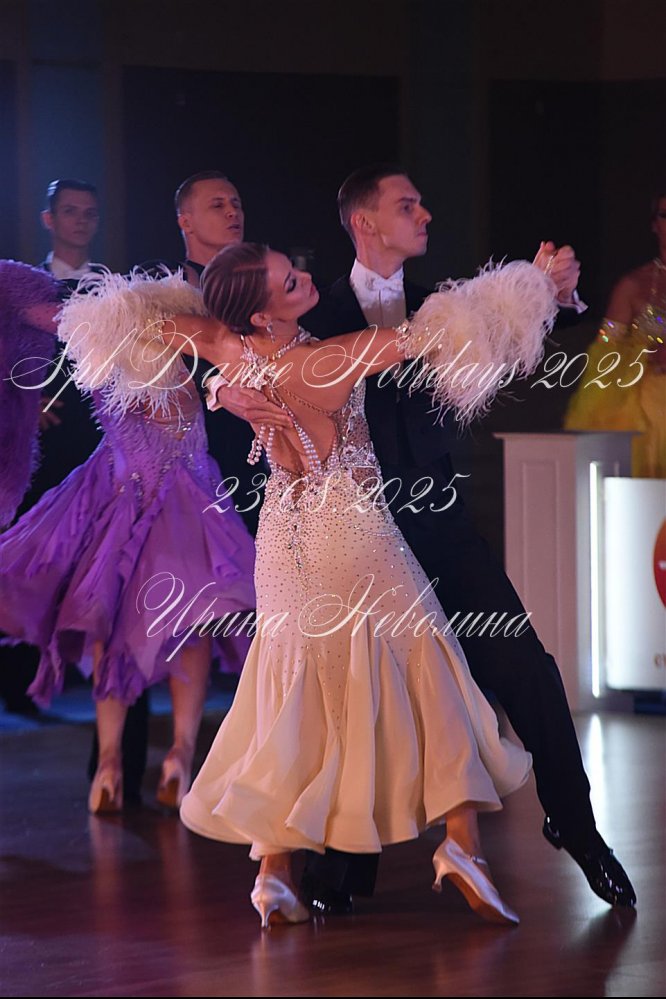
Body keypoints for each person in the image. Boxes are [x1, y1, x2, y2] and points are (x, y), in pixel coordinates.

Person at [211, 165, 636, 912]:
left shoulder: (447, 299)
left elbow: (507, 325)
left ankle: (577, 825)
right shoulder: (308, 307)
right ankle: (346, 867)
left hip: (438, 529)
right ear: (365, 222)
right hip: (352, 541)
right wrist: (224, 388)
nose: (425, 214)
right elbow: (222, 341)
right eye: (406, 205)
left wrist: (552, 293)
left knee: (526, 671)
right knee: (346, 693)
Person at [177, 238, 568, 928]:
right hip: (353, 536)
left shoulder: (229, 348)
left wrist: (219, 385)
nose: (304, 280)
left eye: (295, 271)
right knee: (434, 678)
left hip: (283, 544)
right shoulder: (325, 360)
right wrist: (529, 285)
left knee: (295, 696)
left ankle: (273, 874)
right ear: (262, 315)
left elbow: (155, 323)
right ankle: (462, 843)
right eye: (288, 283)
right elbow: (435, 332)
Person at [0, 261, 256, 815]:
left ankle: (110, 764)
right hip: (184, 494)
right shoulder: (179, 324)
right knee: (190, 622)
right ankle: (181, 756)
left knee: (110, 624)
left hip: (118, 492)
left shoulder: (99, 331)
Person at [564, 191, 666, 477]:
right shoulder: (634, 285)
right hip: (651, 408)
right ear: (654, 224)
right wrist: (643, 354)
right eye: (665, 215)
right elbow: (605, 350)